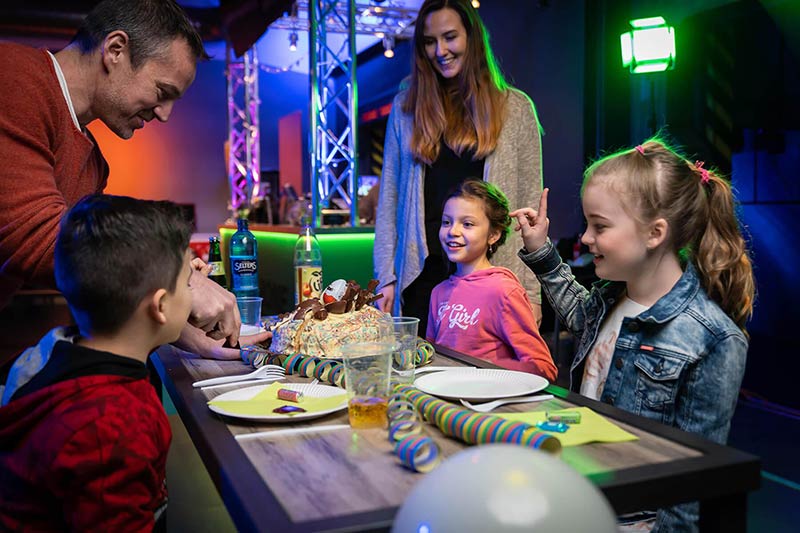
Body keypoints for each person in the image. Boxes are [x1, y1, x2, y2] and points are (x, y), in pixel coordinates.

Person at [512, 139, 755, 532]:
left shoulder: (713, 339)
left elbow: (693, 476)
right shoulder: (609, 298)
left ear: (655, 233)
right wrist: (540, 250)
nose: (586, 238)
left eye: (600, 226)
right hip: (581, 500)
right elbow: (577, 310)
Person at [0, 0, 251, 359]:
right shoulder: (14, 79)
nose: (165, 115)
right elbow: (34, 239)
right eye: (163, 92)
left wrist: (177, 323)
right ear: (115, 50)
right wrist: (182, 279)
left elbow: (95, 278)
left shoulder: (93, 165)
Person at [0, 194, 195, 531]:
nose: (191, 294)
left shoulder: (53, 354)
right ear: (160, 306)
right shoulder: (113, 428)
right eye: (188, 283)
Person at [374, 0, 543, 334]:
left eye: (450, 37)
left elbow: (530, 207)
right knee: (420, 379)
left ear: (472, 37)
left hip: (494, 280)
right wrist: (385, 278)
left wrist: (533, 292)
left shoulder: (516, 109)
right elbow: (389, 200)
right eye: (429, 41)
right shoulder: (406, 110)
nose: (440, 50)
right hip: (424, 276)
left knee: (487, 380)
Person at [427, 181, 556, 380]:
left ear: (494, 235)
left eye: (467, 224)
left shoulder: (503, 290)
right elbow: (432, 358)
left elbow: (543, 368)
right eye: (446, 222)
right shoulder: (438, 292)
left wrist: (488, 368)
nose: (453, 231)